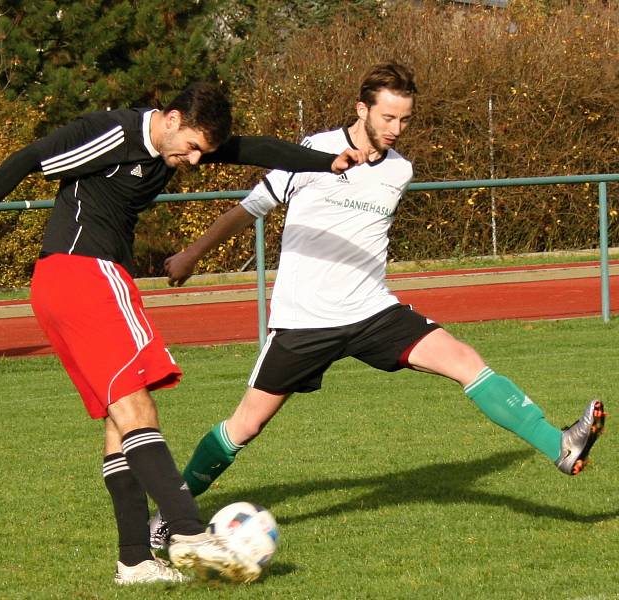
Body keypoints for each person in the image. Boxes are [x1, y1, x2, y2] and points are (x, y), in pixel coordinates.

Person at [151, 62, 606, 548]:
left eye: (405, 120)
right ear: (361, 109)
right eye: (387, 117)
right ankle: (169, 517)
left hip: (372, 312)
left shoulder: (400, 171)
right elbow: (247, 210)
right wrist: (192, 254)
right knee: (246, 424)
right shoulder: (311, 151)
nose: (395, 129)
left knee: (465, 360)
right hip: (304, 321)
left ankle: (559, 445)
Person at [0, 82, 362, 585]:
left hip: (73, 280)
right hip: (84, 274)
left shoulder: (177, 146)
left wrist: (326, 162)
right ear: (170, 118)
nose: (192, 160)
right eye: (190, 146)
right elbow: (29, 156)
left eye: (202, 153)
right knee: (137, 408)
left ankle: (135, 561)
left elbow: (252, 148)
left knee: (120, 419)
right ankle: (188, 532)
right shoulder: (112, 131)